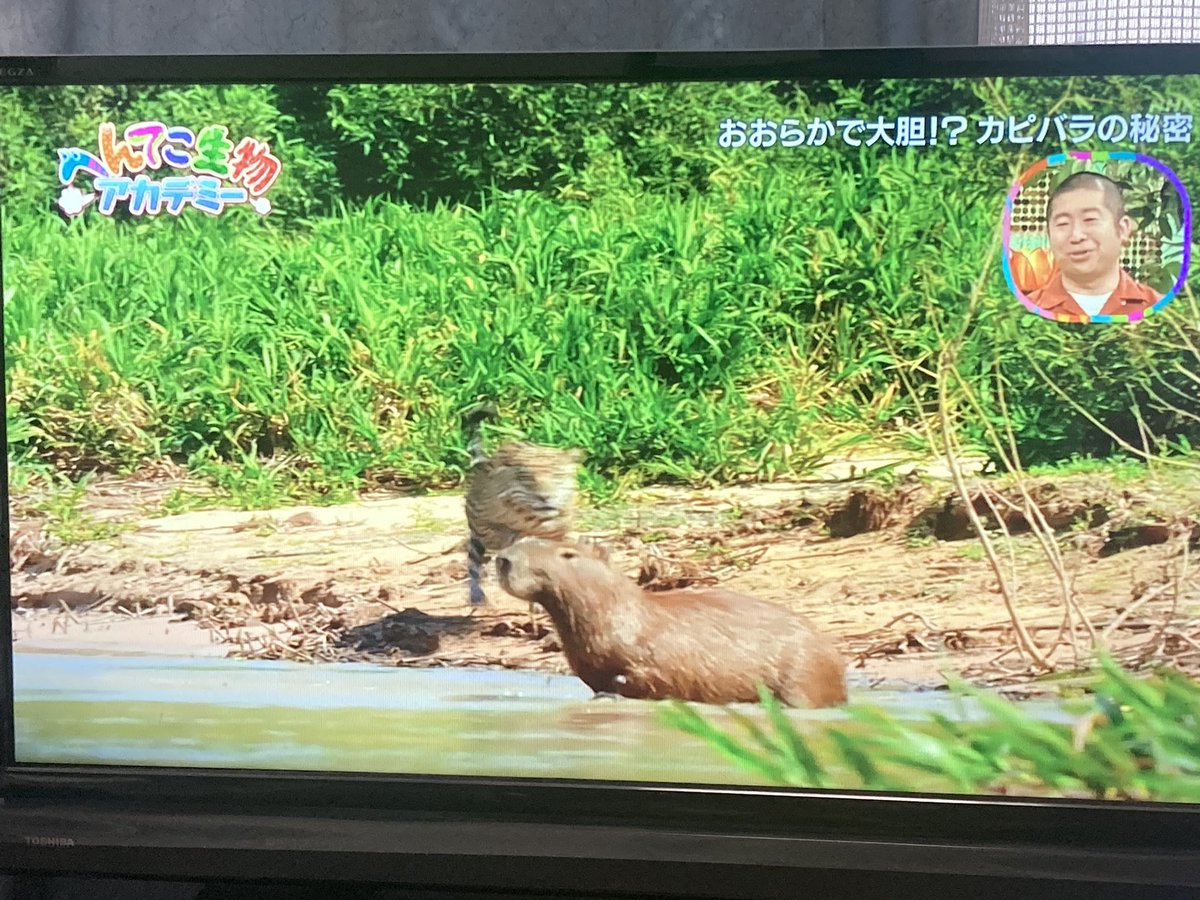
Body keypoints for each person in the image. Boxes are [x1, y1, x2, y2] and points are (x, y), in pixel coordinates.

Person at [1027, 171, 1162, 318]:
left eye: (1090, 219)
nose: (1076, 236)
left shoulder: (1159, 309)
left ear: (1122, 229)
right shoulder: (1027, 310)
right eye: (1063, 223)